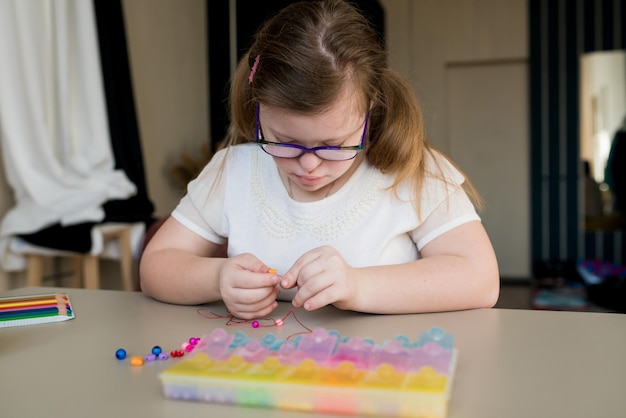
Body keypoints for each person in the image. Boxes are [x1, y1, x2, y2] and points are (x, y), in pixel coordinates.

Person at [140, 0, 500, 319]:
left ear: (370, 111)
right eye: (285, 142)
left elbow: (480, 279)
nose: (309, 165)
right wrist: (216, 278)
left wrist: (358, 285)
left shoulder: (413, 169)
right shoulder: (233, 171)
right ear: (257, 111)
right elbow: (157, 265)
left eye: (333, 145)